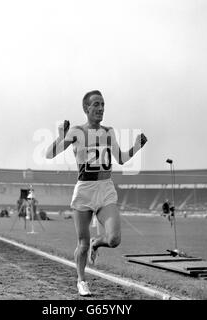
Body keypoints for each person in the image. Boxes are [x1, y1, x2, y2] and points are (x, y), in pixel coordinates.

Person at [45, 90, 147, 296]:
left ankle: (96, 243)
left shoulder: (109, 132)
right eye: (96, 105)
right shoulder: (76, 132)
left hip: (106, 188)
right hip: (85, 191)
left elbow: (122, 159)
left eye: (103, 105)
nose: (101, 108)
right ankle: (81, 280)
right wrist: (60, 137)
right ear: (86, 108)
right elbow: (49, 154)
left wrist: (137, 146)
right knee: (81, 244)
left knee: (114, 239)